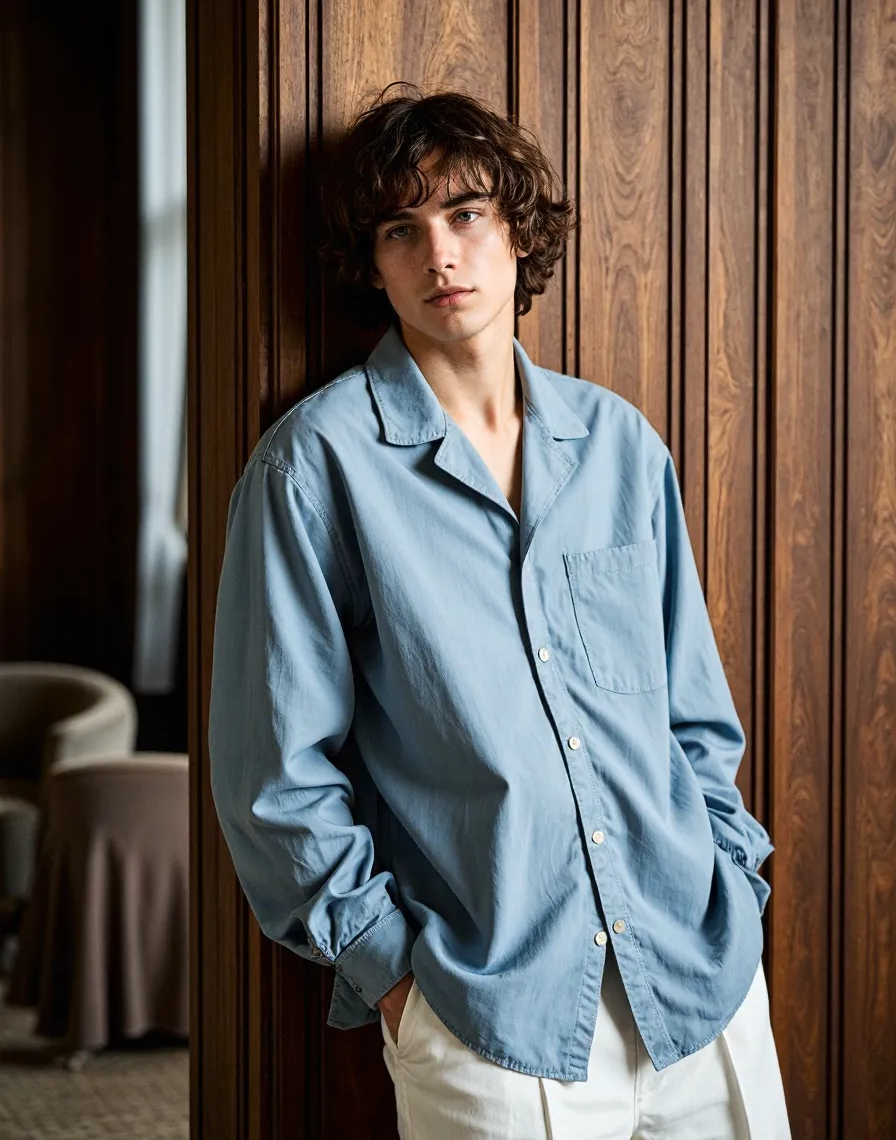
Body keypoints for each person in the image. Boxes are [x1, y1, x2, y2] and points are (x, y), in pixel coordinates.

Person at [207, 82, 791, 1139]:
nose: (440, 254)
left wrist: (732, 880)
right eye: (402, 228)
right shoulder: (313, 469)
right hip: (489, 1019)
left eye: (466, 213)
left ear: (516, 231)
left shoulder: (618, 447)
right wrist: (393, 978)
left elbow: (694, 720)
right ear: (370, 261)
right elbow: (272, 777)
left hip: (700, 987)